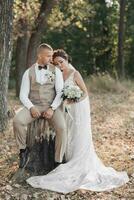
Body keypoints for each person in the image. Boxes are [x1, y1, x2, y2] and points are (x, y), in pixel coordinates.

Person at [27, 49, 129, 194]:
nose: (59, 66)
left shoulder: (75, 73)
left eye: (61, 62)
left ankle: (79, 160)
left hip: (78, 107)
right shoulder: (56, 75)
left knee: (79, 133)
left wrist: (74, 99)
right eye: (56, 64)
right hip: (65, 109)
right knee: (68, 132)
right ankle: (68, 158)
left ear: (67, 60)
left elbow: (85, 92)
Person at [13, 44, 67, 168]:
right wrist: (31, 107)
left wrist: (52, 108)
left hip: (50, 106)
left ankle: (58, 161)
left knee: (62, 128)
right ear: (39, 55)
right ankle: (23, 151)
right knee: (17, 121)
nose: (51, 58)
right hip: (34, 105)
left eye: (51, 55)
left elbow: (60, 92)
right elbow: (23, 95)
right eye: (48, 56)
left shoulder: (56, 71)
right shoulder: (28, 72)